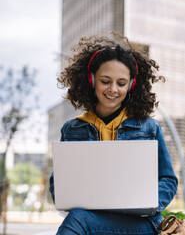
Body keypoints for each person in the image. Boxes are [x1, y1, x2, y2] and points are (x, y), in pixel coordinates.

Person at [49, 35, 178, 235]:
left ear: (131, 85)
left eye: (121, 83)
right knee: (77, 218)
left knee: (77, 221)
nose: (113, 89)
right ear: (91, 80)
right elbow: (59, 182)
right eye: (105, 81)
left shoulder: (149, 128)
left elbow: (168, 180)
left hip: (140, 222)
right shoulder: (72, 129)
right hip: (93, 218)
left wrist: (149, 203)